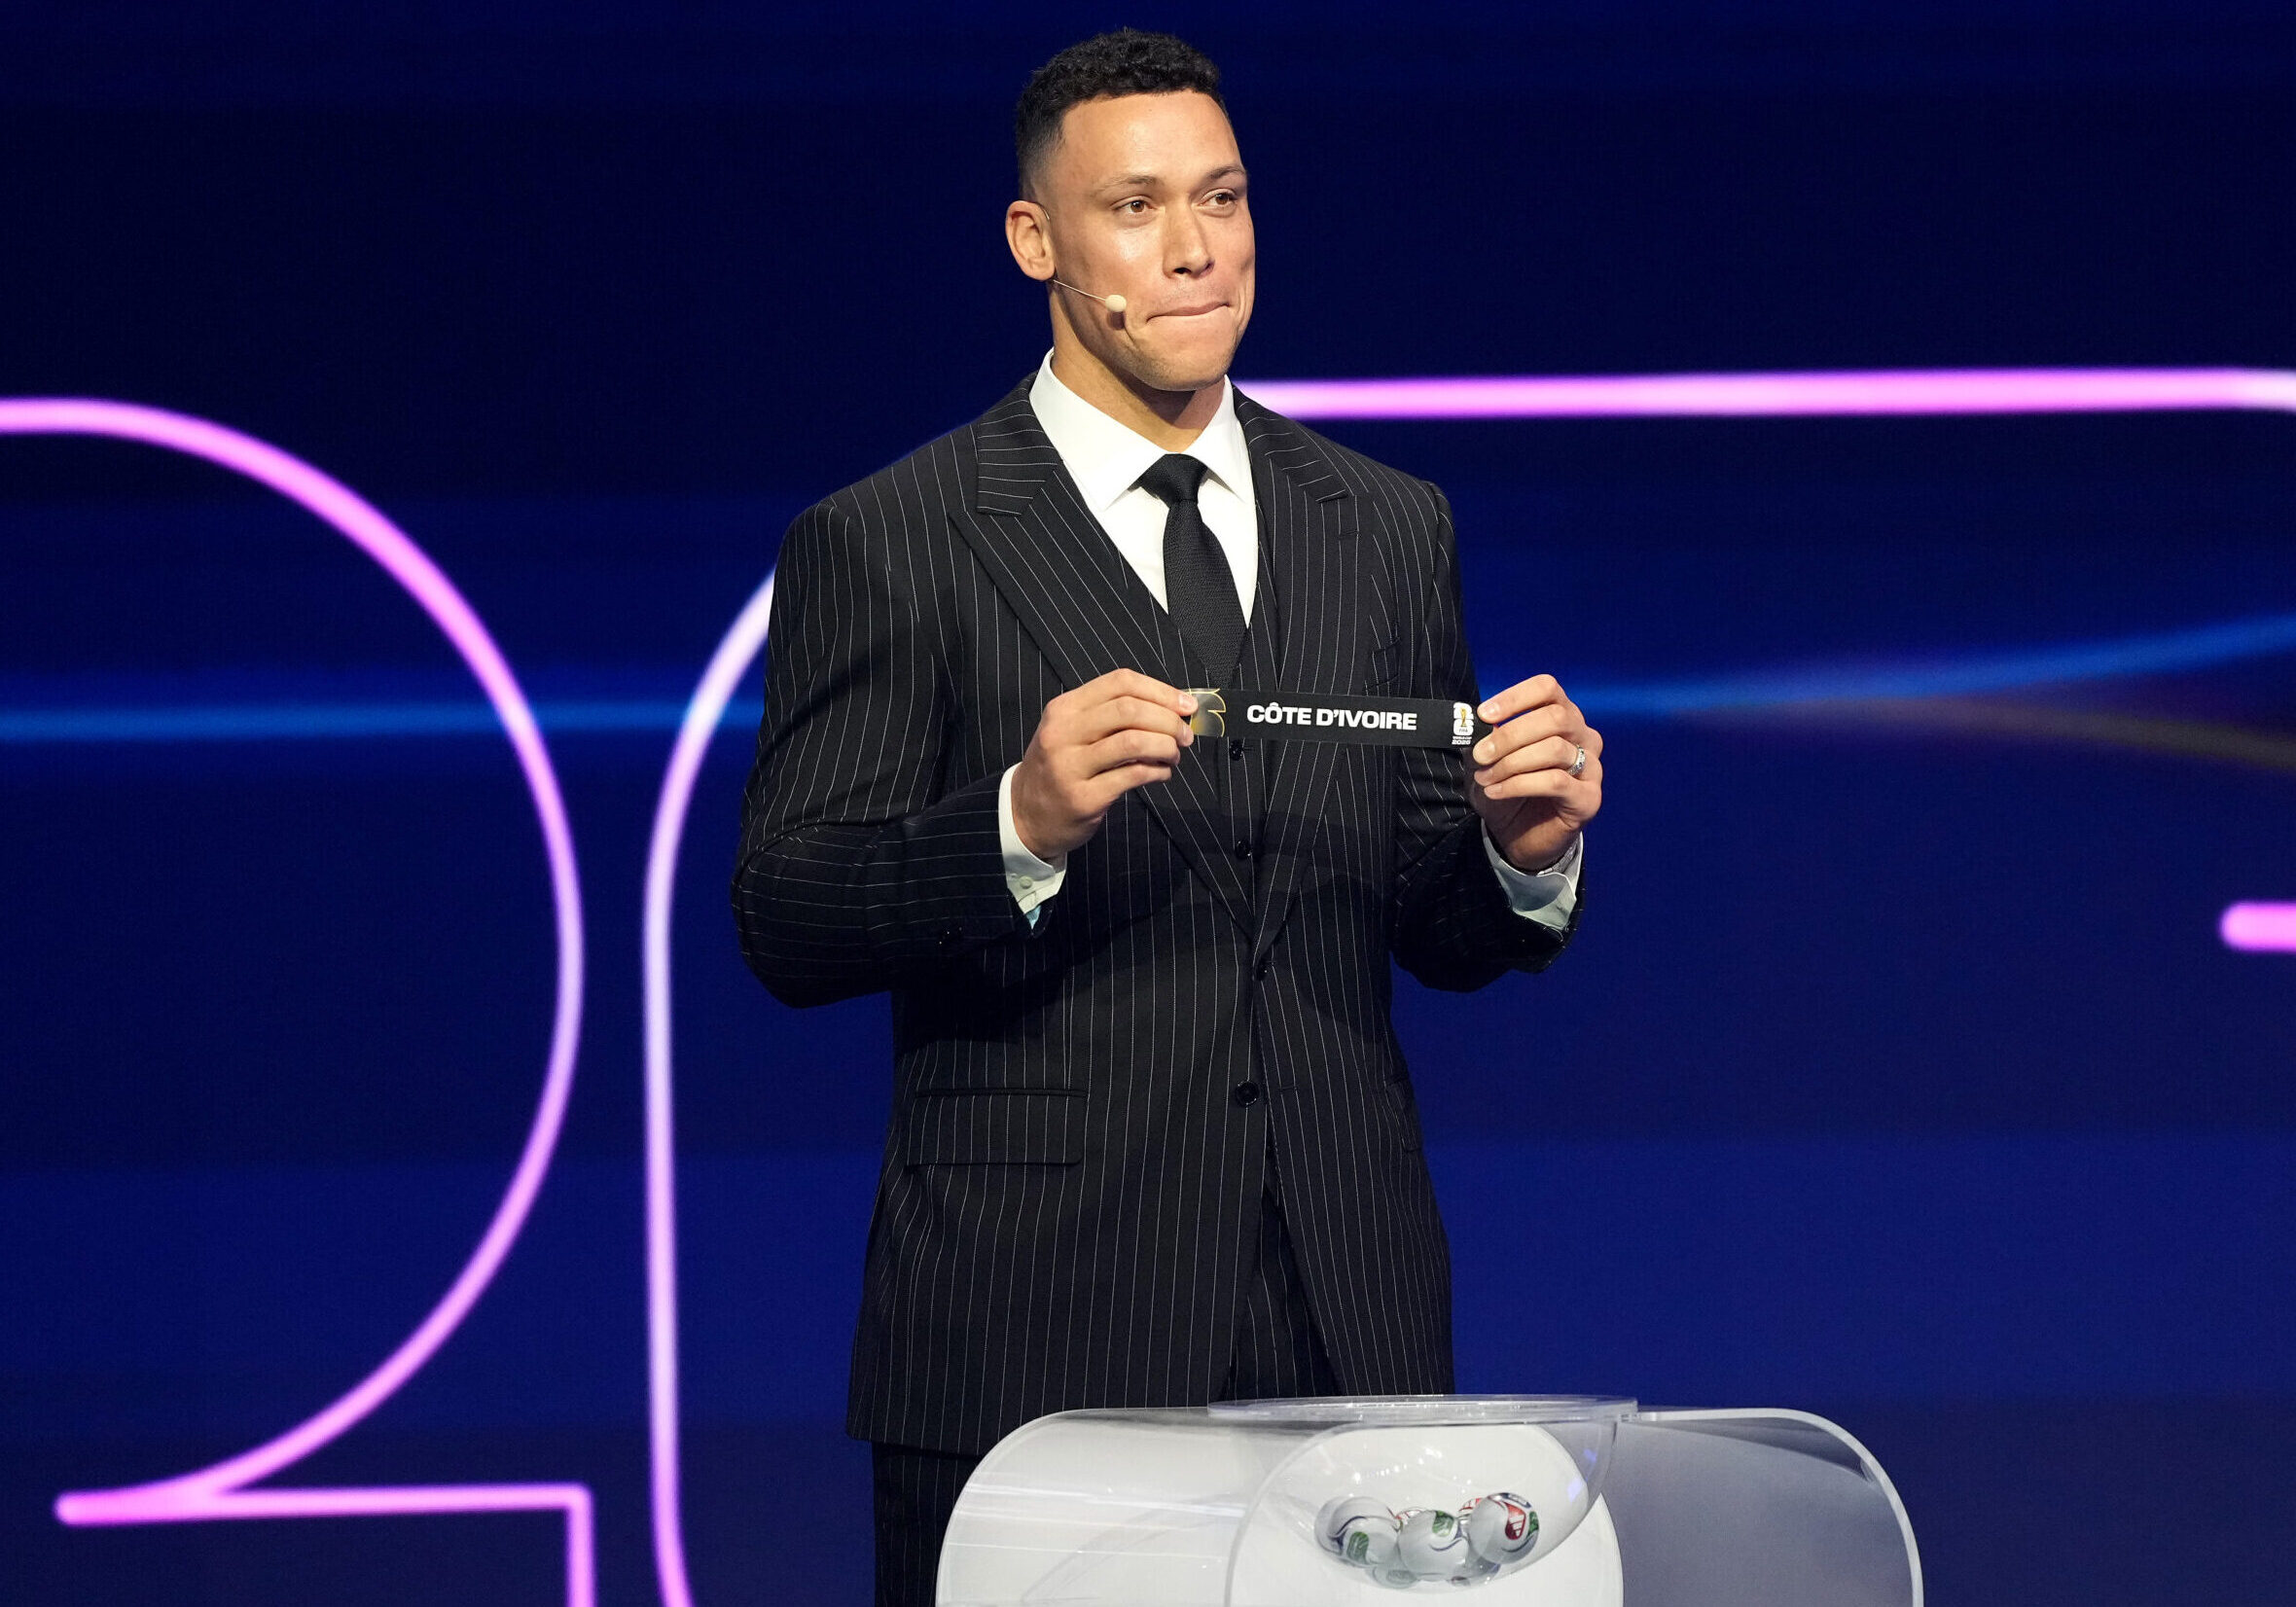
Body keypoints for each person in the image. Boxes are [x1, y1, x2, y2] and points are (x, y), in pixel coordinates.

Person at [732, 29, 1604, 1607]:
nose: (1197, 248)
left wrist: (1517, 857)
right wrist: (1017, 820)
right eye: (1135, 207)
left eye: (1225, 196)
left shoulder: (1386, 526)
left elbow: (1427, 920)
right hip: (1033, 1339)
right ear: (1037, 241)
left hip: (1353, 1330)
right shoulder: (896, 539)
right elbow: (786, 913)